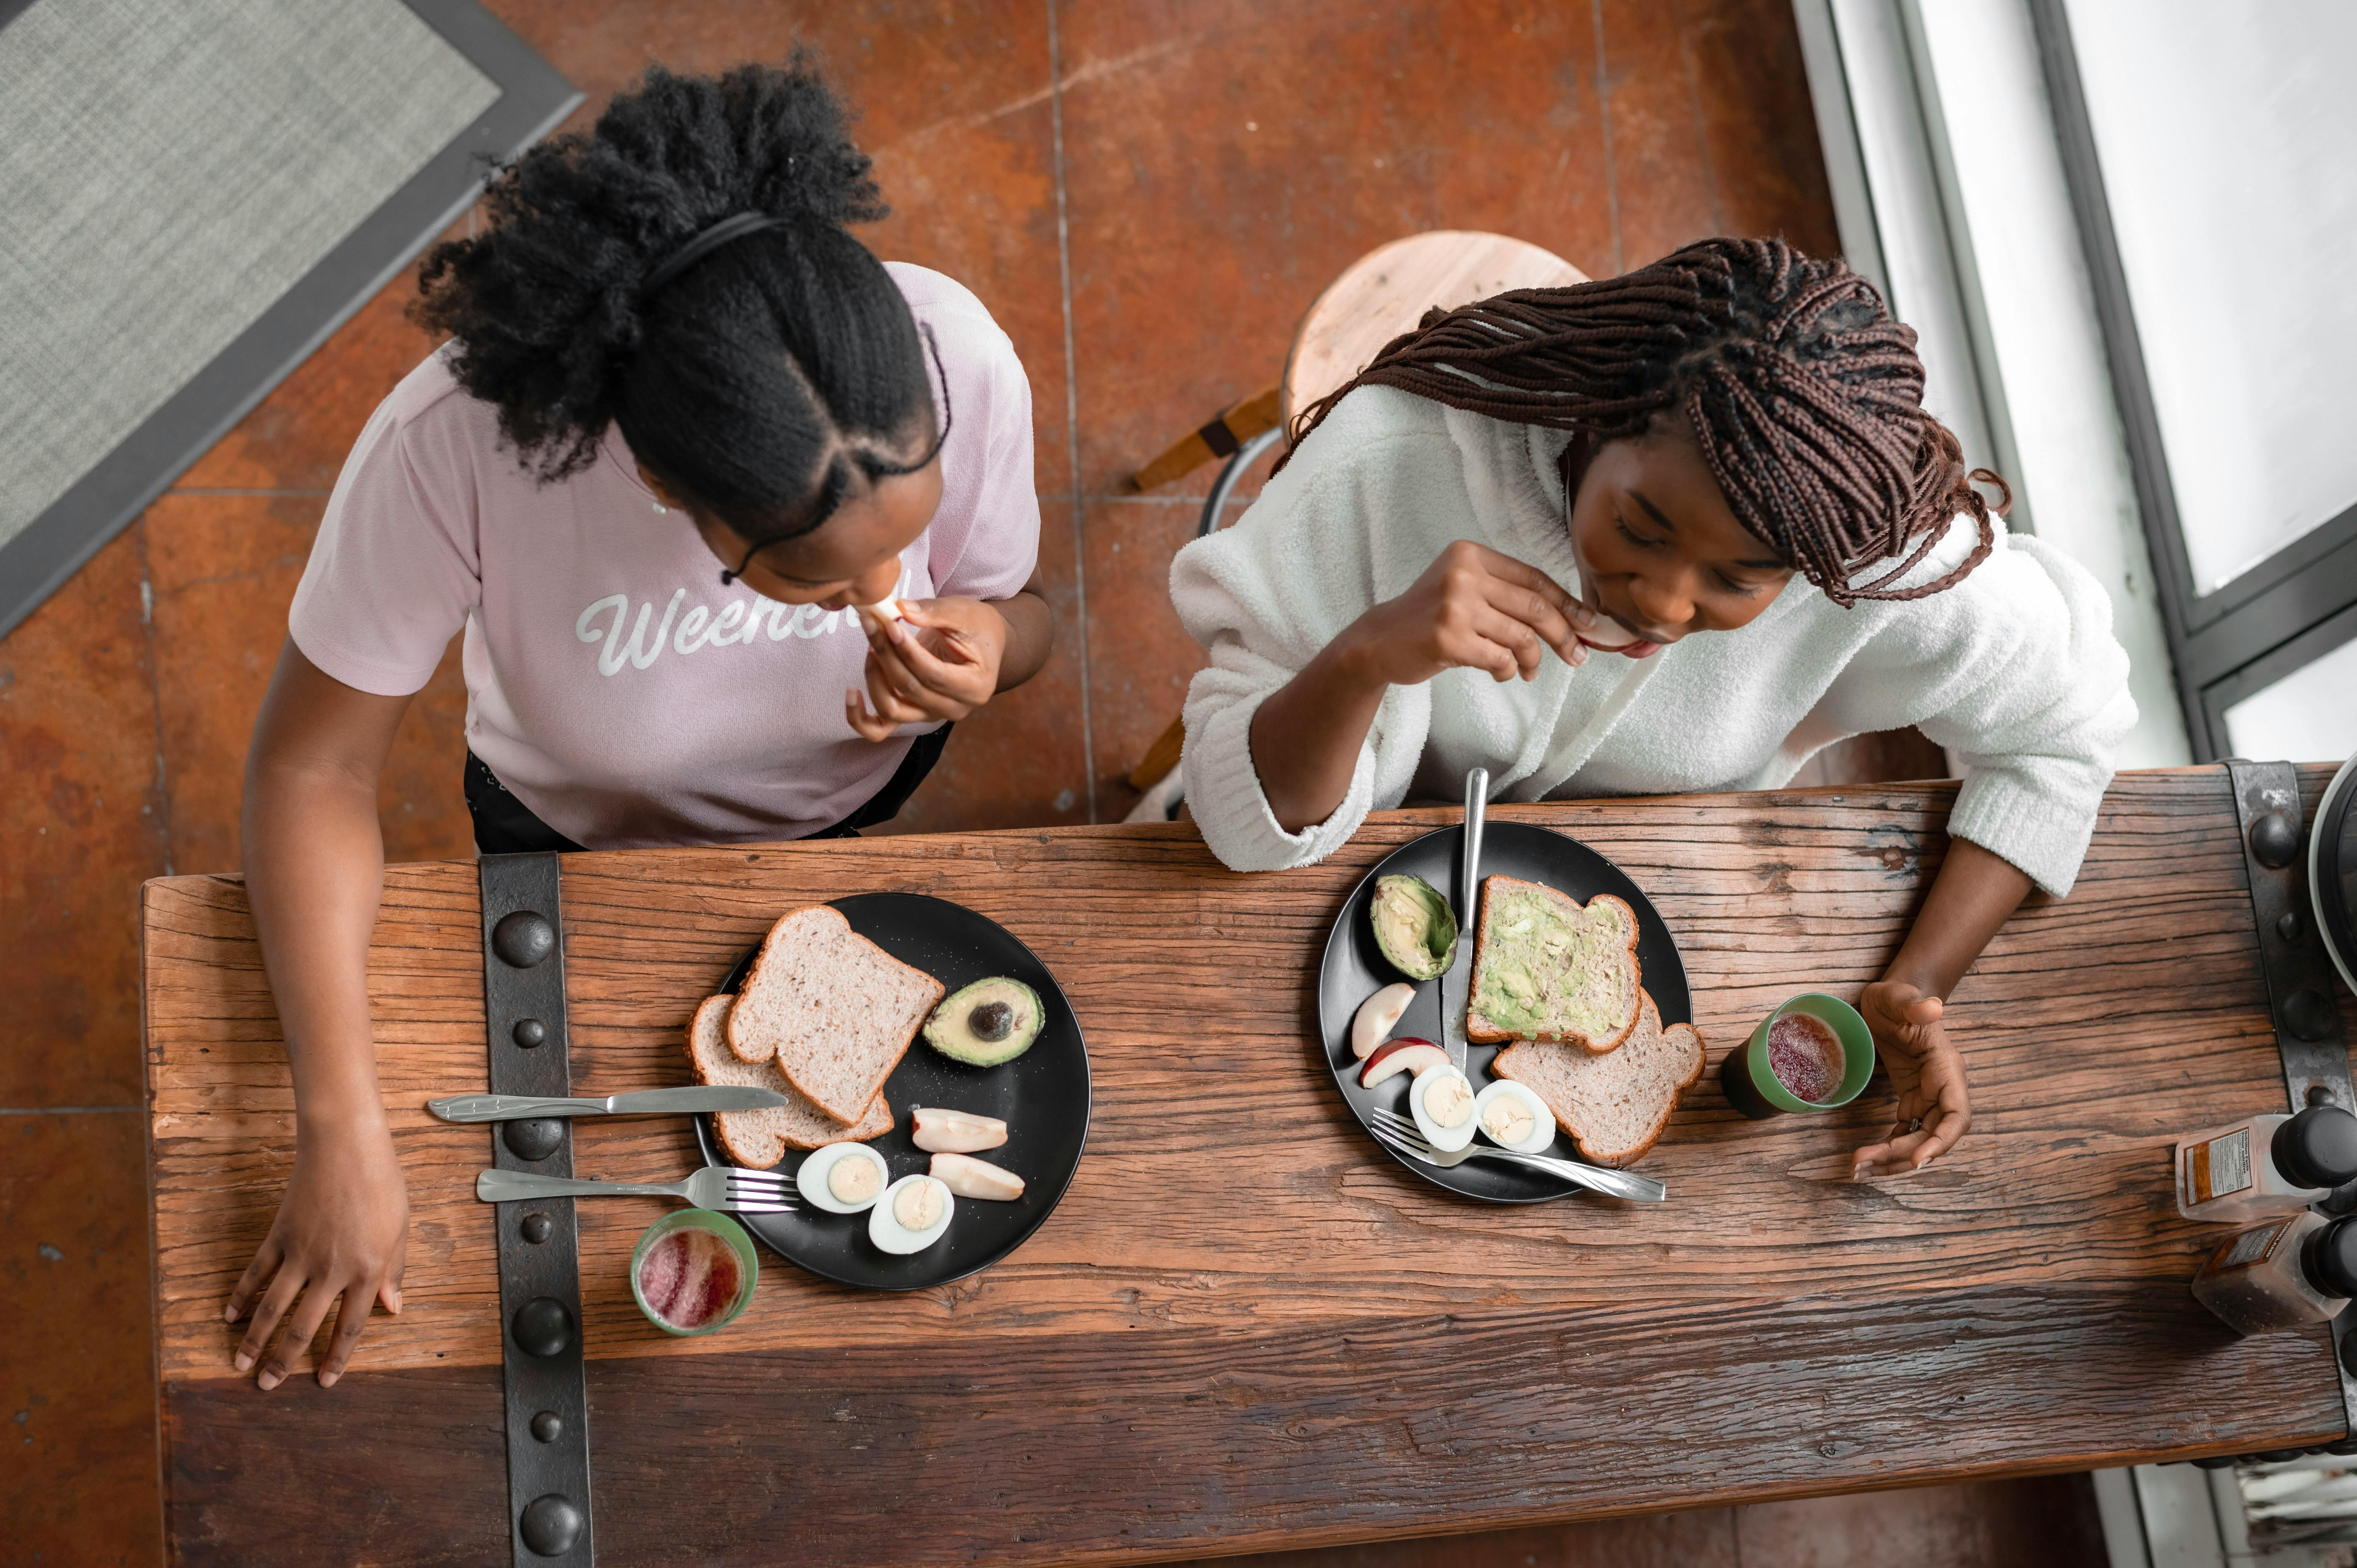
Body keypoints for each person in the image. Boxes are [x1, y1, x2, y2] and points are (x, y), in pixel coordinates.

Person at [225, 60, 1053, 1391]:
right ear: (665, 489)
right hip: (565, 841)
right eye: (811, 578)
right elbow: (312, 766)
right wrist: (338, 1123)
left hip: (849, 810)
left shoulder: (949, 347)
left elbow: (1019, 605)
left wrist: (999, 644)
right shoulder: (456, 451)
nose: (887, 603)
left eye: (903, 548)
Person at [1172, 237, 2134, 1180]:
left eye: (1738, 579)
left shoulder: (1851, 543)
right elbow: (1239, 828)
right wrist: (1365, 654)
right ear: (1596, 420)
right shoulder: (1388, 458)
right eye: (1638, 526)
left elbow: (2067, 730)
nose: (1664, 605)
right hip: (1290, 915)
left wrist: (1921, 981)